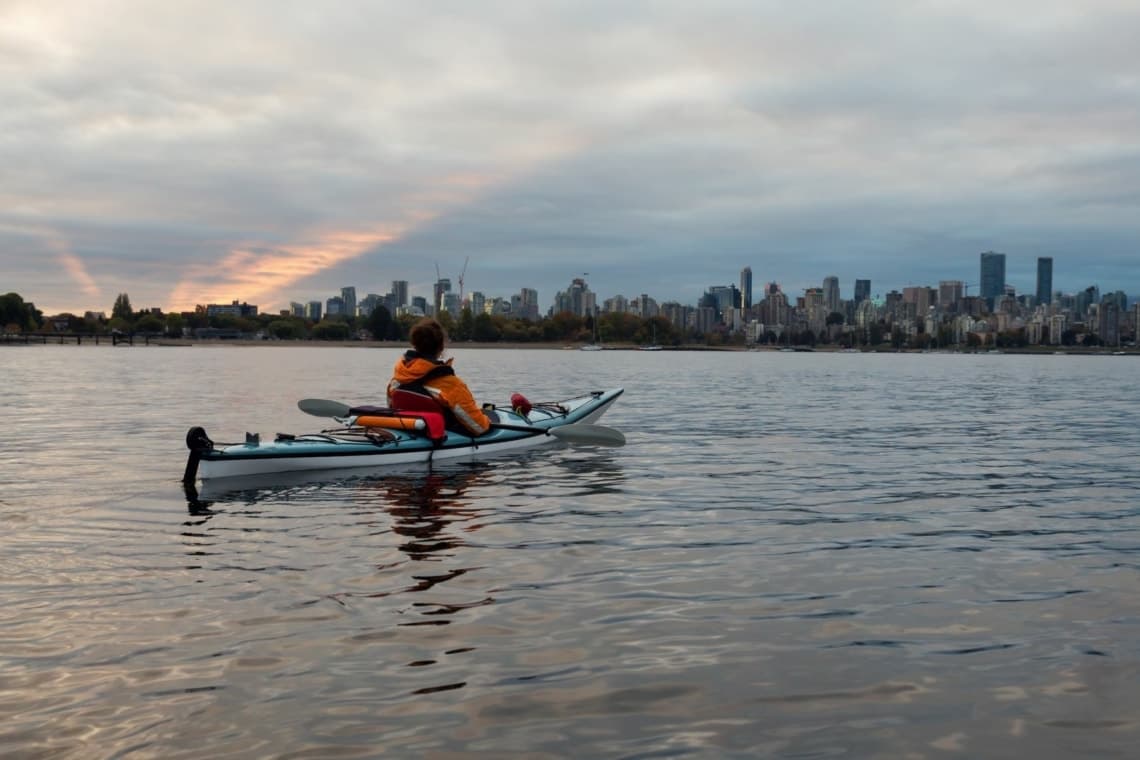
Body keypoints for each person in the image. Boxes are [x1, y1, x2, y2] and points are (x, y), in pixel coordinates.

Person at [388, 318, 492, 436]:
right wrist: (488, 419)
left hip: (407, 430)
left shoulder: (398, 378)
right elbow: (479, 427)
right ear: (441, 347)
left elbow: (391, 407)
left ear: (414, 344)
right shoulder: (451, 384)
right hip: (441, 436)